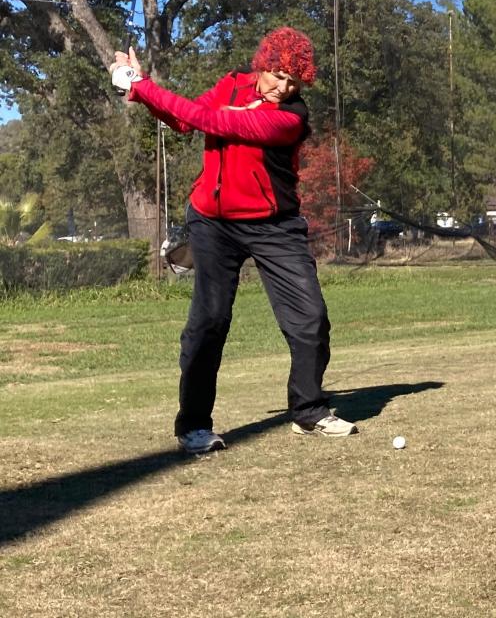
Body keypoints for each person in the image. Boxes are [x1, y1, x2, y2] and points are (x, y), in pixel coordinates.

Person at [108, 27, 357, 454]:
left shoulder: (291, 117)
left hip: (274, 225)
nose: (285, 87)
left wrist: (143, 86)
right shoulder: (232, 83)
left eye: (294, 81)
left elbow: (216, 120)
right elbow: (185, 120)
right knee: (208, 322)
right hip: (212, 222)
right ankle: (194, 426)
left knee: (310, 318)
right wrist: (138, 89)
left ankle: (309, 411)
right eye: (278, 76)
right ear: (263, 66)